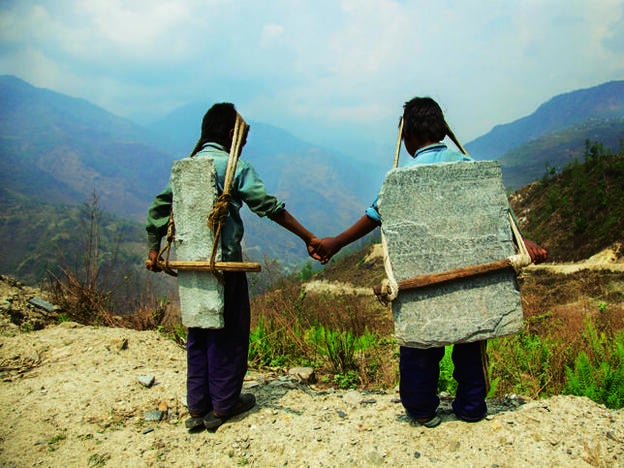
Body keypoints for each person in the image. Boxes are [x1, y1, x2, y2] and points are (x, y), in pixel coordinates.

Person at [313, 96, 547, 427]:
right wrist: (524, 241)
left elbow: (373, 216)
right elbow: (499, 216)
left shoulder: (399, 180)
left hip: (420, 283)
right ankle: (471, 408)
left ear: (406, 137)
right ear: (442, 130)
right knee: (471, 340)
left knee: (419, 347)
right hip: (469, 279)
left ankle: (422, 411)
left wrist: (335, 243)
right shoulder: (470, 168)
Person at [146, 102, 321, 432]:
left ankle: (198, 406)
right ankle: (224, 405)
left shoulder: (185, 167)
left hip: (190, 264)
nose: (242, 147)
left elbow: (159, 205)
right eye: (242, 140)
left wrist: (154, 248)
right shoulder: (233, 167)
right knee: (230, 332)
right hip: (225, 264)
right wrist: (308, 237)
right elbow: (267, 205)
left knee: (198, 331)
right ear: (231, 135)